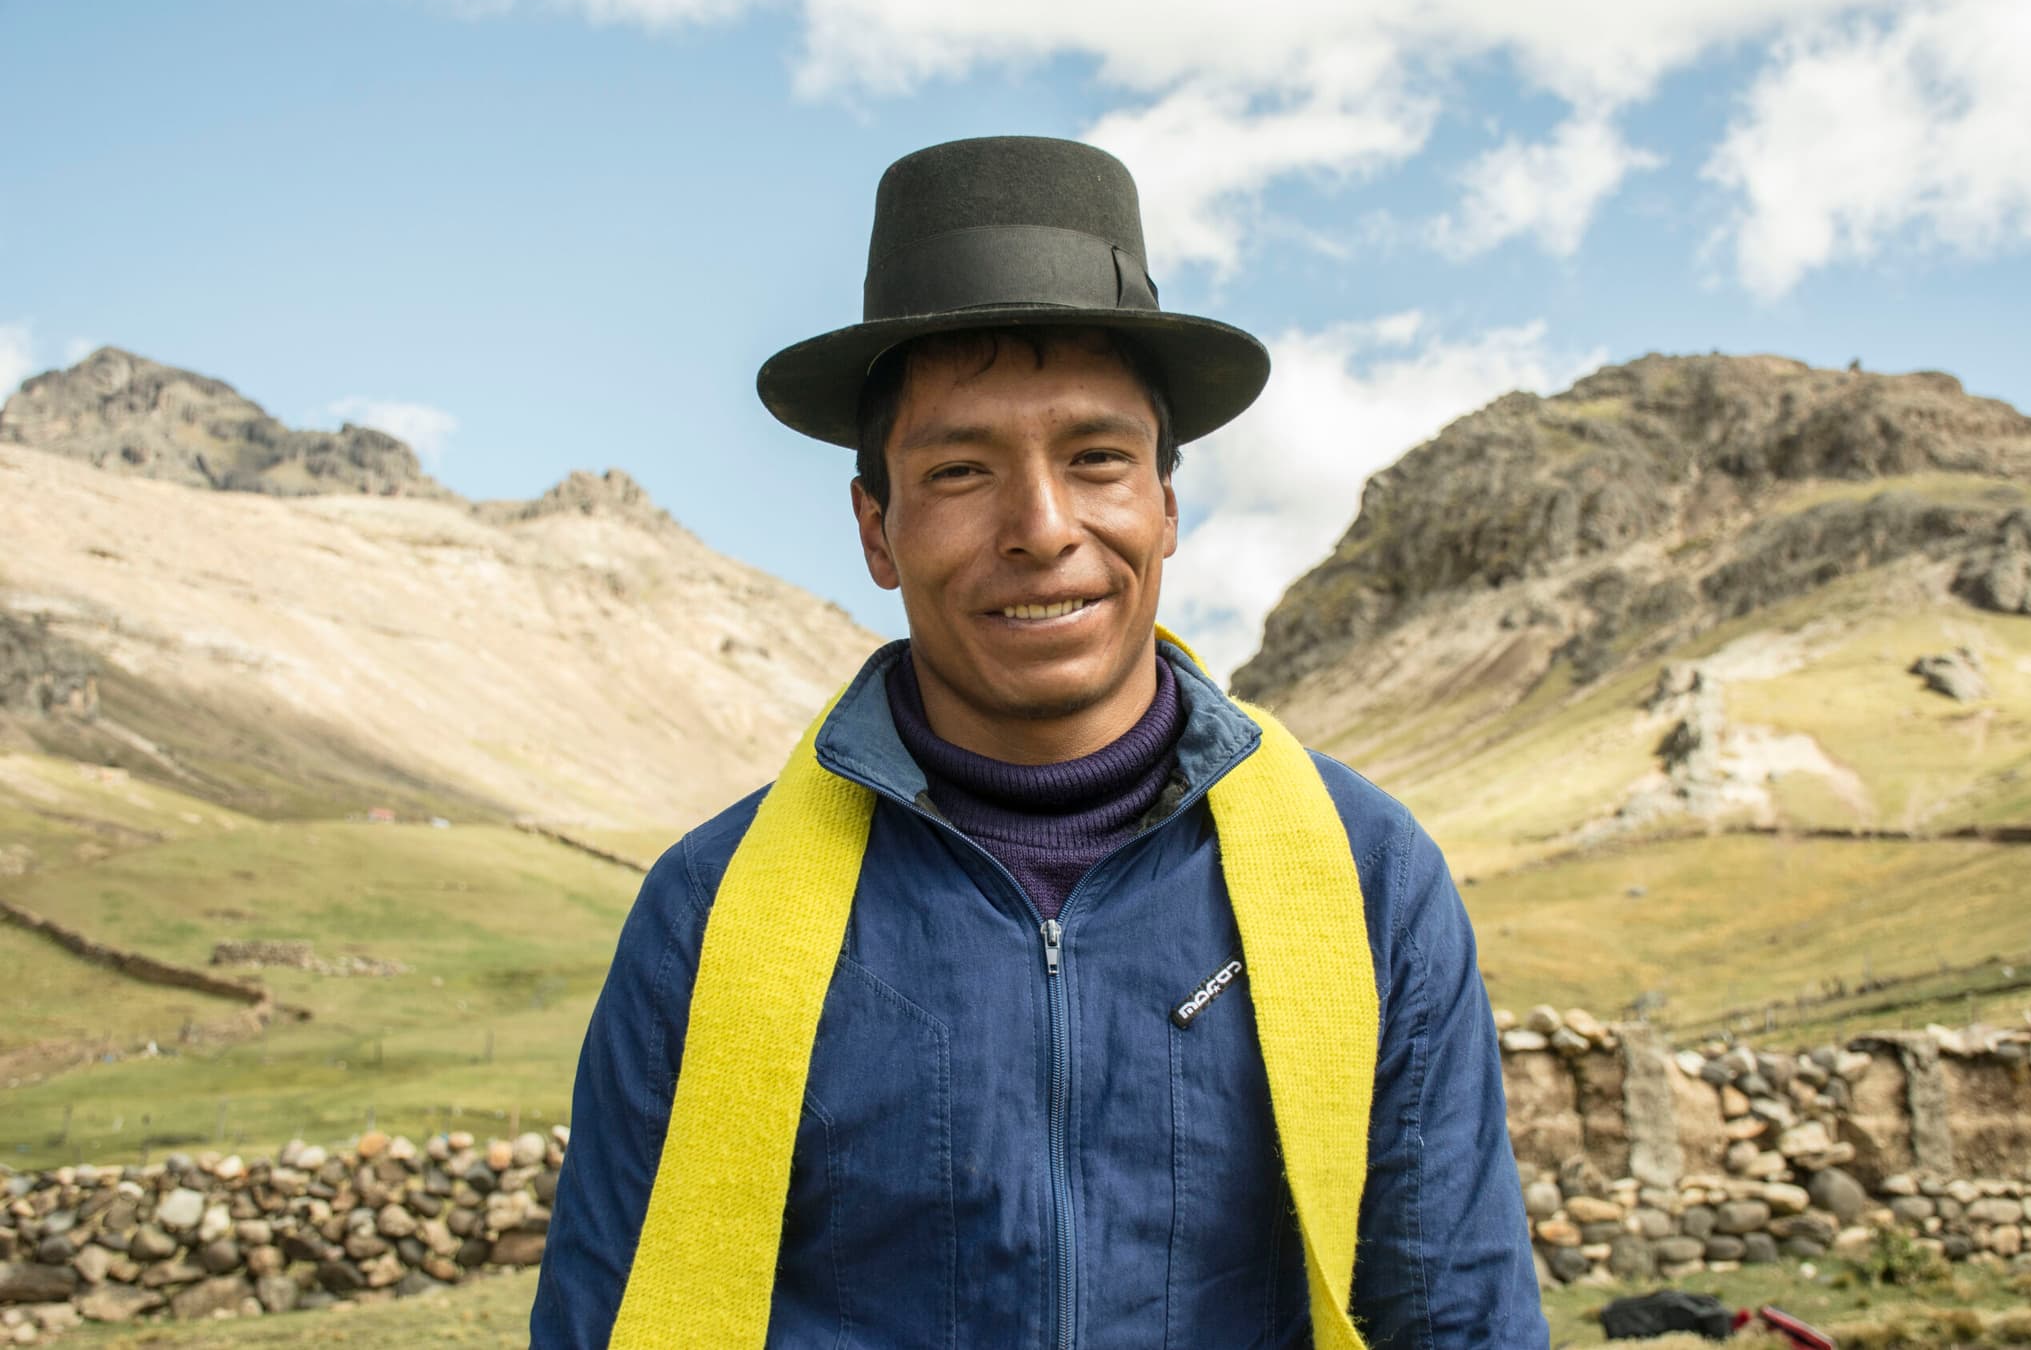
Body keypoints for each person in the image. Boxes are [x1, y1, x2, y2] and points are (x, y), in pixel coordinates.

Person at [531, 135, 1546, 1348]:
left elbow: (1458, 1319)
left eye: (1096, 459)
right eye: (961, 470)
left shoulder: (1367, 879)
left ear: (1164, 504)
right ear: (875, 528)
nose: (1042, 526)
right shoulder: (706, 912)